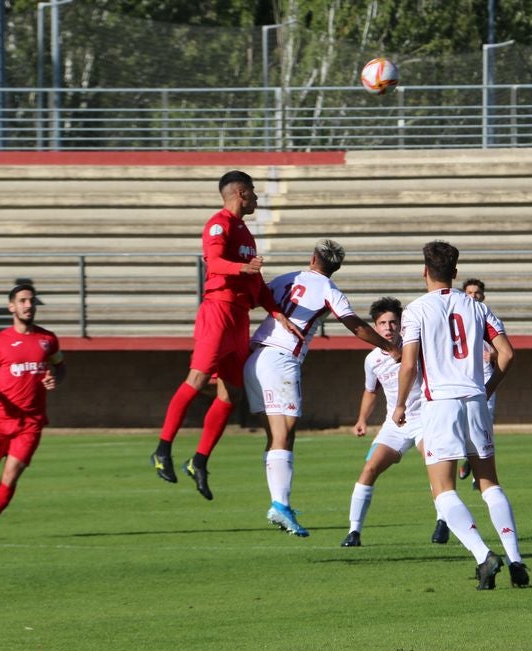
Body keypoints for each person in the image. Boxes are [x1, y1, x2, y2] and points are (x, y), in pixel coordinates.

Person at [150, 171, 301, 501]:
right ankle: (162, 449)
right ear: (241, 193)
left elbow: (256, 284)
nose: (258, 198)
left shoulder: (245, 232)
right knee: (198, 377)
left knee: (231, 395)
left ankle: (199, 461)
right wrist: (242, 269)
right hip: (218, 311)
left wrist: (277, 313)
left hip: (239, 318)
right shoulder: (218, 224)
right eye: (254, 193)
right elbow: (214, 261)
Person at [394, 241, 528, 590]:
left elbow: (409, 363)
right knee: (489, 483)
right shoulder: (476, 307)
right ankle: (516, 559)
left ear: (424, 271)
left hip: (440, 404)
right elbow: (508, 354)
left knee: (443, 490)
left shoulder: (416, 310)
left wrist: (398, 405)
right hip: (474, 399)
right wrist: (488, 387)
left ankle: (484, 555)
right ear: (454, 273)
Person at [245, 239, 397, 538]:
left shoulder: (287, 278)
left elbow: (254, 297)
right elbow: (356, 326)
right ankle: (280, 505)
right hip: (281, 358)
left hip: (254, 357)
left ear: (313, 258)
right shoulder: (329, 290)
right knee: (284, 434)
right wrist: (389, 347)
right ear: (336, 267)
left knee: (275, 437)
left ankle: (279, 502)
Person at [0, 283, 66, 542]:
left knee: (10, 476)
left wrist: (55, 378)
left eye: (31, 301)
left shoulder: (48, 339)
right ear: (11, 306)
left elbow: (60, 367)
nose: (28, 305)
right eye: (22, 301)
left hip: (31, 423)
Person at [342, 297, 425, 547]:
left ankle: (442, 522)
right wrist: (362, 420)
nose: (388, 327)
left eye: (392, 322)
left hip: (425, 419)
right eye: (382, 323)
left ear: (400, 325)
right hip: (395, 424)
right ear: (375, 327)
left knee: (436, 471)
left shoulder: (417, 347)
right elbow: (371, 391)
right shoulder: (372, 360)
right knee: (369, 469)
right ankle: (354, 532)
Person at [457, 278, 498, 485]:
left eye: (477, 293)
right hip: (462, 383)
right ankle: (470, 462)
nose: (473, 296)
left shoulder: (487, 317)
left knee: (484, 429)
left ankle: (481, 475)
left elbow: (504, 350)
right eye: (469, 293)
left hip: (486, 383)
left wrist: (494, 356)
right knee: (464, 428)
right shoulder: (456, 319)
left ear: (483, 296)